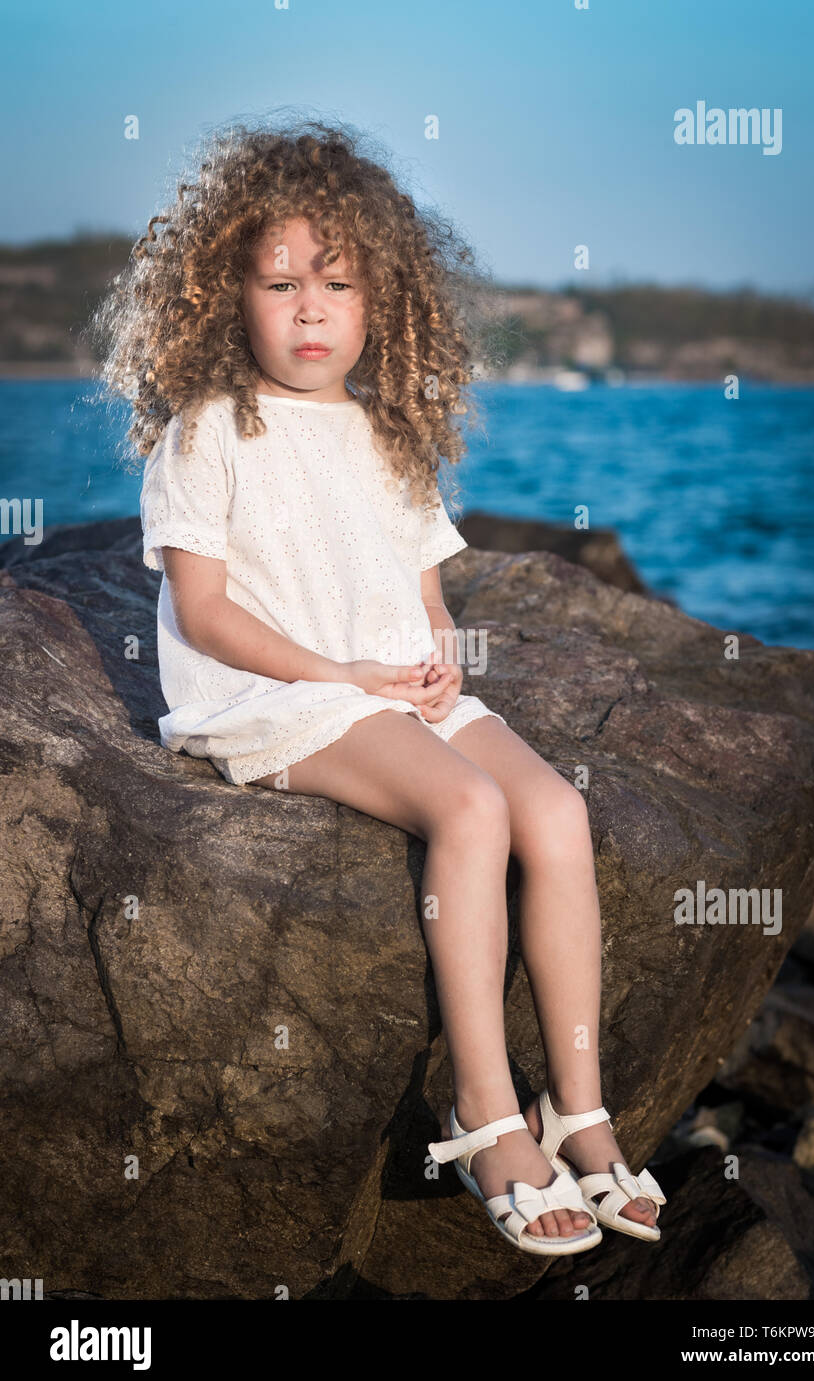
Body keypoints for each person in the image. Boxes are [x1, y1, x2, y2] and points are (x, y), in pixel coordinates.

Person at [96, 117, 664, 1256]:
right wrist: (344, 673)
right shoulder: (206, 431)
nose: (310, 311)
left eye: (338, 285)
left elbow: (425, 596)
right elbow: (205, 613)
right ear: (227, 298)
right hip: (274, 695)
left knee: (557, 812)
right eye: (280, 284)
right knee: (472, 808)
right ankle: (482, 1111)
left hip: (386, 686)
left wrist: (437, 655)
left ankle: (580, 1107)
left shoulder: (389, 436)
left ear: (381, 303)